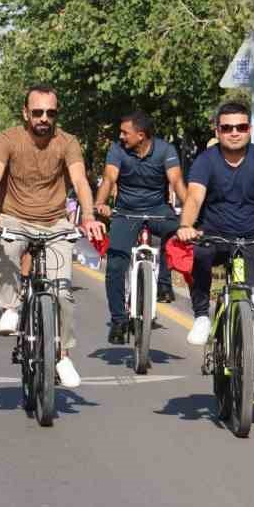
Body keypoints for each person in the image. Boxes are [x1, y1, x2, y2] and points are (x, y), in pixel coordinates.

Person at [176, 101, 254, 413]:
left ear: (250, 129)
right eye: (227, 127)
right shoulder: (206, 161)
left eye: (241, 127)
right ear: (217, 130)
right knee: (202, 255)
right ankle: (203, 316)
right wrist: (186, 226)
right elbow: (194, 196)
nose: (234, 133)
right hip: (214, 235)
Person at [0, 85, 98, 389]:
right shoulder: (8, 139)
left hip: (54, 223)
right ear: (26, 113)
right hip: (14, 218)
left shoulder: (68, 142)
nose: (44, 118)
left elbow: (80, 181)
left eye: (51, 112)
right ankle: (11, 305)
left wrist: (87, 215)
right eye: (38, 112)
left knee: (62, 292)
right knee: (6, 247)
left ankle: (62, 355)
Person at [94, 109, 185, 343]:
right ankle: (118, 321)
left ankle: (164, 283)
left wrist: (189, 215)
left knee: (177, 233)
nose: (121, 136)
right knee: (115, 265)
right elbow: (109, 178)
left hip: (158, 210)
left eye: (125, 133)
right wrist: (100, 204)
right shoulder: (117, 150)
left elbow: (176, 181)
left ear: (141, 135)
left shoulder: (166, 150)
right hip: (126, 212)